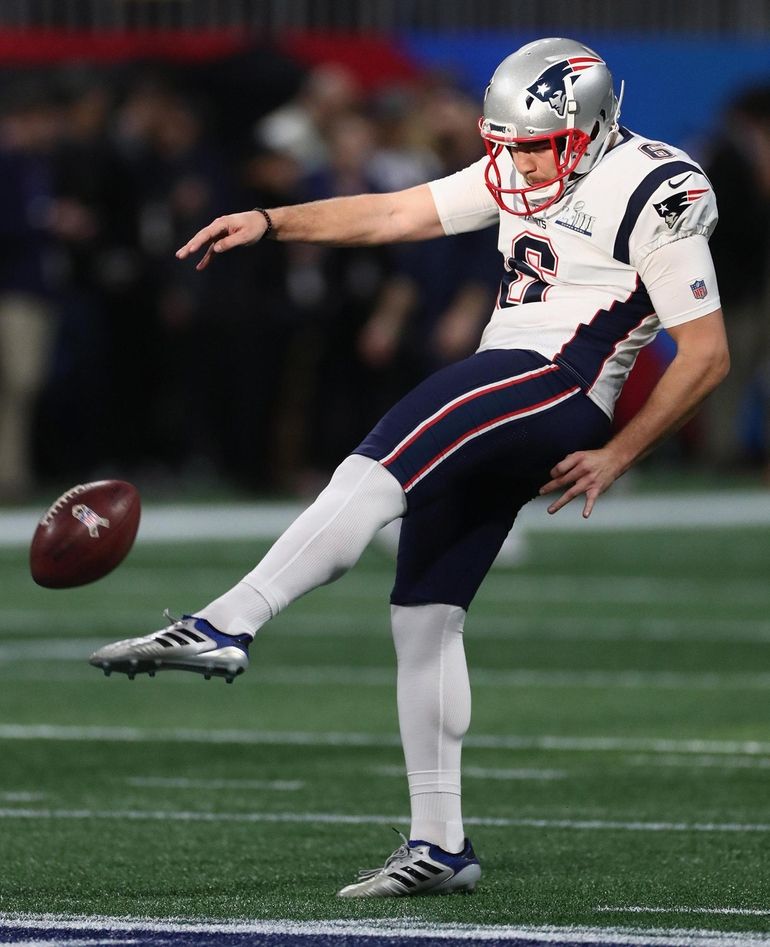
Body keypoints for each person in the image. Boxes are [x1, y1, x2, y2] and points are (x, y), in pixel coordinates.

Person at [90, 38, 729, 897]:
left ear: (588, 131)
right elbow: (395, 213)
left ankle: (227, 622)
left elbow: (707, 352)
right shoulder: (520, 163)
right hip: (515, 383)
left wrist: (619, 452)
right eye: (502, 141)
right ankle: (441, 844)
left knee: (379, 456)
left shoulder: (656, 185)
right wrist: (275, 222)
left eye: (532, 144)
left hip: (554, 380)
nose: (511, 161)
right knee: (425, 616)